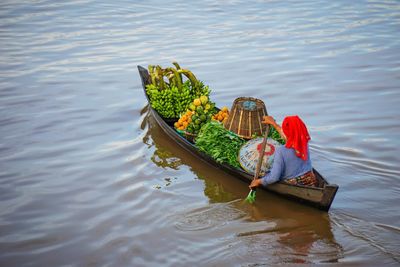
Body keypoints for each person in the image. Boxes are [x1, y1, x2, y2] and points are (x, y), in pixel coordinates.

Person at [249, 115, 318, 189]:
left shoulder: (281, 151)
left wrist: (258, 181)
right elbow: (287, 136)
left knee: (267, 173)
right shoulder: (304, 142)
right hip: (311, 180)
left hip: (294, 184)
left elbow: (274, 178)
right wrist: (274, 124)